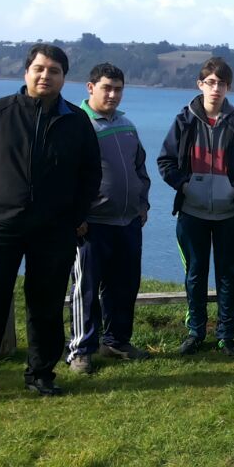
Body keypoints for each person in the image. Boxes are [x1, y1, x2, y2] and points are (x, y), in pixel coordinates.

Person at [0, 43, 101, 408]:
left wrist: (76, 218)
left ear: (64, 78)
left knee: (46, 306)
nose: (45, 75)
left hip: (54, 230)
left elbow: (91, 174)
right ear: (26, 72)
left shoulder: (76, 122)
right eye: (39, 68)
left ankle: (40, 374)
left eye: (54, 70)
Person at [157, 56, 234, 358]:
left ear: (229, 87)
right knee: (195, 274)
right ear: (200, 84)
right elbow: (165, 161)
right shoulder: (183, 122)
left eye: (222, 83)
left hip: (228, 213)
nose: (216, 89)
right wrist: (186, 185)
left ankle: (227, 335)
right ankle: (196, 332)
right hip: (192, 213)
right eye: (211, 82)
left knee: (230, 275)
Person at [65, 62, 151, 375]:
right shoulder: (77, 123)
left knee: (124, 285)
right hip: (92, 224)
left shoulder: (127, 124)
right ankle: (81, 349)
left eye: (118, 88)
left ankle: (116, 341)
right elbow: (66, 177)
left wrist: (143, 204)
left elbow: (139, 167)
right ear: (90, 88)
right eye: (106, 88)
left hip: (128, 222)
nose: (113, 94)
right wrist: (76, 216)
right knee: (85, 289)